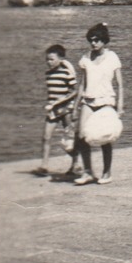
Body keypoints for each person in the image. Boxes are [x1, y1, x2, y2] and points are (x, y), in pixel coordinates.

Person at [72, 23, 124, 185]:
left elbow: (120, 84)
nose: (93, 43)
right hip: (89, 100)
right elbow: (82, 85)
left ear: (104, 41)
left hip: (106, 101)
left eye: (97, 40)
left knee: (105, 137)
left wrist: (120, 106)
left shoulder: (112, 57)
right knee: (81, 137)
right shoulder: (86, 59)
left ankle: (106, 172)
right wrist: (75, 107)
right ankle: (88, 172)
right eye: (91, 40)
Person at [37, 43, 81, 178]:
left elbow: (74, 91)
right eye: (47, 59)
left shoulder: (67, 72)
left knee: (69, 139)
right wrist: (52, 103)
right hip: (53, 109)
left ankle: (75, 164)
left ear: (60, 59)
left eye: (52, 59)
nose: (49, 62)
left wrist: (62, 103)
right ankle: (44, 166)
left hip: (66, 109)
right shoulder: (48, 74)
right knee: (46, 137)